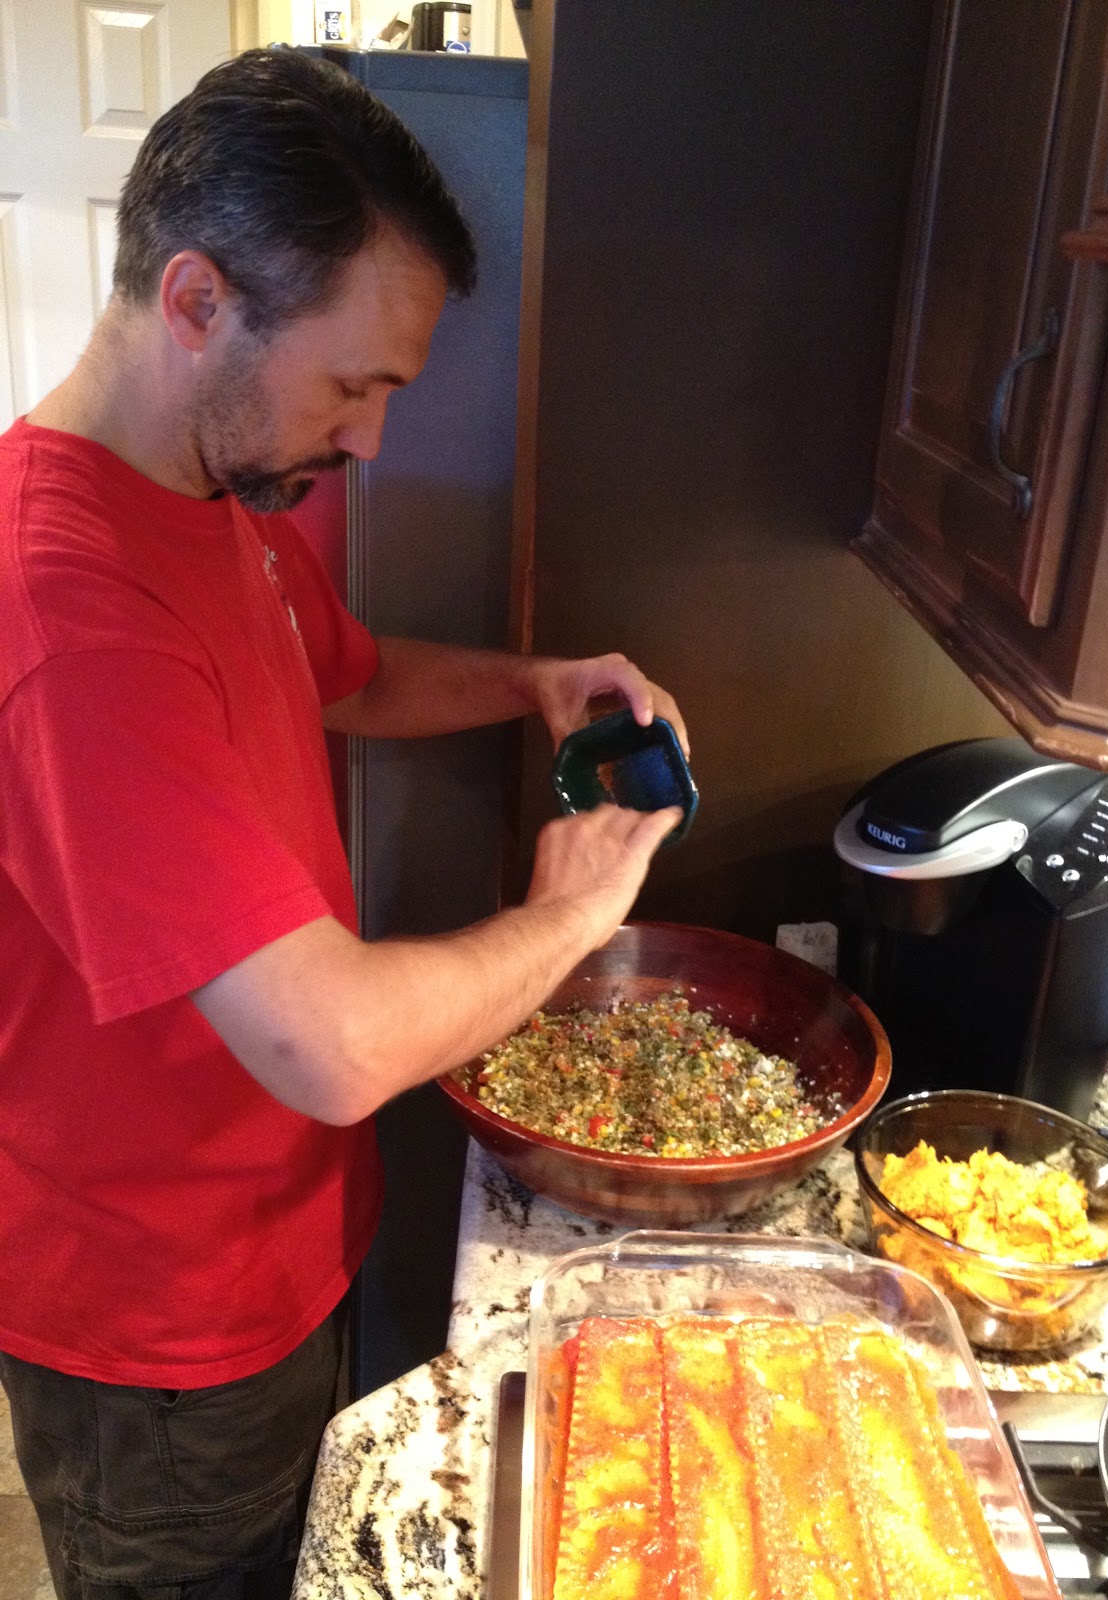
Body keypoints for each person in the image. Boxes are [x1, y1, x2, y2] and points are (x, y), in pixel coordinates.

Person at [0, 46, 686, 1600]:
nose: (370, 438)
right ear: (196, 301)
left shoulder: (209, 491)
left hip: (282, 1243)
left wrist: (534, 682)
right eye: (354, 383)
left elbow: (350, 674)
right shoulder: (64, 608)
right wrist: (580, 911)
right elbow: (333, 1045)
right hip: (163, 1344)